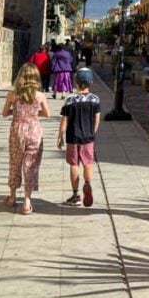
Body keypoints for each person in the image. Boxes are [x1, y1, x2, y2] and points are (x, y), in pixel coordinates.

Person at [2, 63, 51, 215]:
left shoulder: (13, 94)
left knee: (15, 162)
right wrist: (33, 114)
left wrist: (16, 112)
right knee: (30, 165)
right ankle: (27, 202)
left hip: (17, 130)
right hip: (34, 130)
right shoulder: (40, 95)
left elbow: (4, 113)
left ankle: (12, 197)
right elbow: (47, 114)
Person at [56, 68, 100, 207]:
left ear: (75, 82)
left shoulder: (70, 100)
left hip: (72, 137)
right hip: (88, 137)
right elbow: (97, 118)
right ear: (91, 83)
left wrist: (60, 135)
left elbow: (64, 119)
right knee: (88, 163)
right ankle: (87, 183)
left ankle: (76, 195)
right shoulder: (95, 99)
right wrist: (93, 132)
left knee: (74, 164)